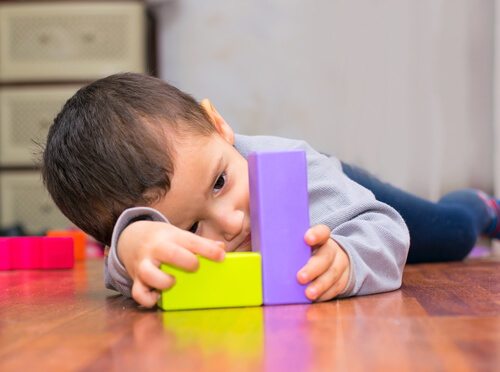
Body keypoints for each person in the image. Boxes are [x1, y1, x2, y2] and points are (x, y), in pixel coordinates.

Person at [41, 73, 500, 308]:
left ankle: (480, 203)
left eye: (221, 181)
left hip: (345, 197)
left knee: (451, 234)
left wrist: (347, 256)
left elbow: (385, 230)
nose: (232, 222)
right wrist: (131, 241)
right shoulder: (145, 238)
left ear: (220, 126)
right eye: (191, 226)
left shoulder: (301, 173)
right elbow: (123, 271)